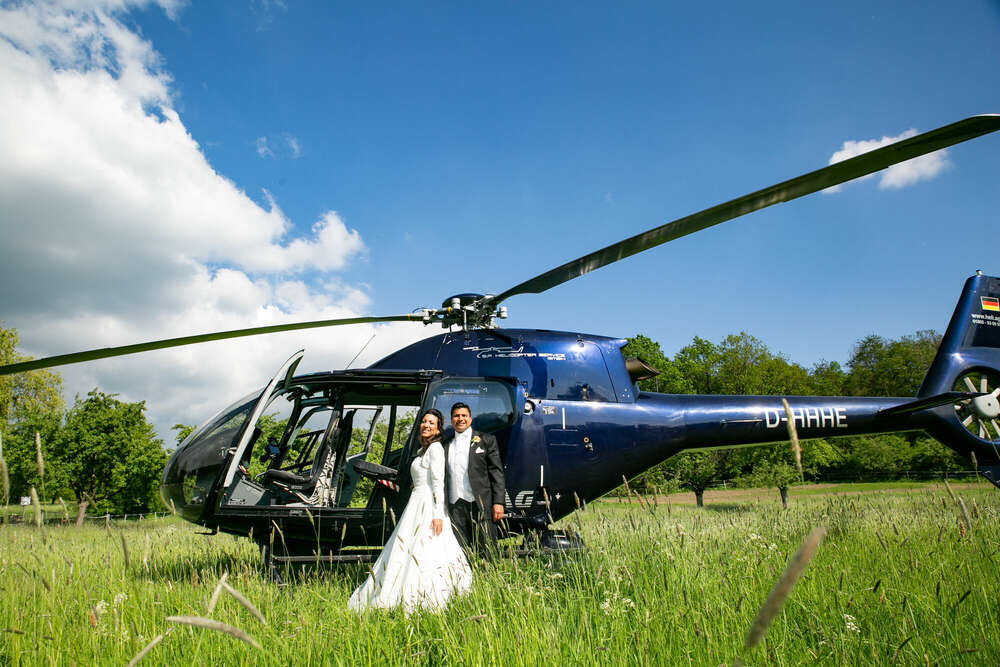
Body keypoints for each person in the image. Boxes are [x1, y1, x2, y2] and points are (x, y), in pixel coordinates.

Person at [348, 409, 472, 613]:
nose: (426, 425)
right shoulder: (423, 450)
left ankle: (426, 595)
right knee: (406, 547)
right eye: (424, 422)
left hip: (428, 505)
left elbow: (438, 483)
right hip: (416, 502)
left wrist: (438, 515)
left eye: (431, 423)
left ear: (438, 429)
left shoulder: (435, 449)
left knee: (426, 548)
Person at [443, 402, 506, 559]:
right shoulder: (445, 444)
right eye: (456, 416)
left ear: (470, 419)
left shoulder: (486, 440)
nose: (460, 419)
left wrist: (498, 502)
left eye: (464, 415)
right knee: (460, 553)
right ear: (451, 420)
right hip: (455, 505)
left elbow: (496, 472)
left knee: (487, 550)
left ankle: (488, 575)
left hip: (480, 504)